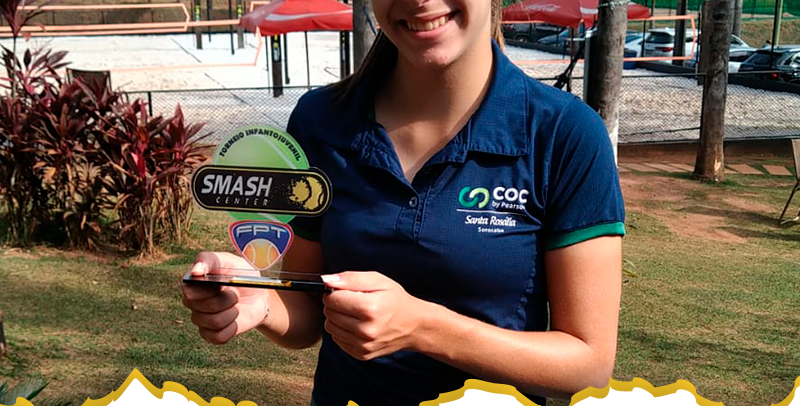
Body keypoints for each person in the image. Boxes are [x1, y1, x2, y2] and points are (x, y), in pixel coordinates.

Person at [181, 0, 625, 404]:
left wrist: (422, 328)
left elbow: (587, 367)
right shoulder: (322, 120)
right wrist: (260, 300)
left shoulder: (564, 135)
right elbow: (308, 313)